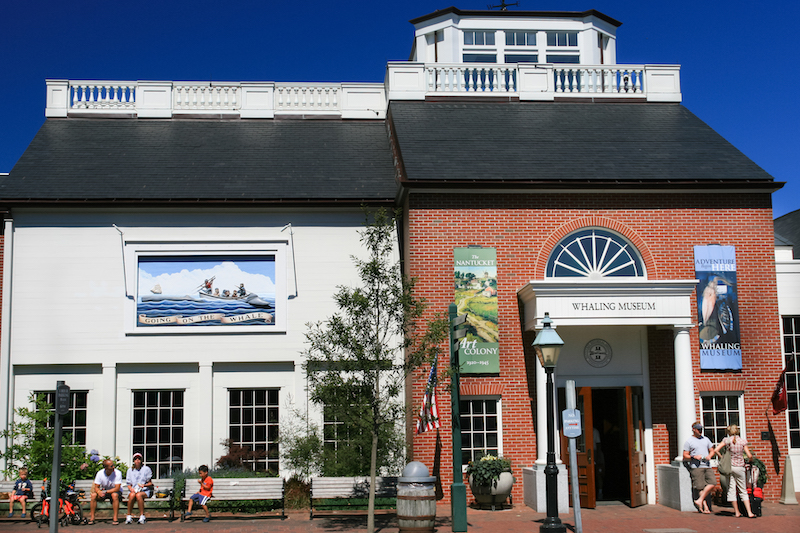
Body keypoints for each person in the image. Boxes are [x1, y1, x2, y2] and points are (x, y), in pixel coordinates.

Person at [708, 424, 756, 518]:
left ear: (729, 432)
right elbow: (750, 456)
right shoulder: (742, 441)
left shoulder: (726, 440)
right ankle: (749, 512)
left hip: (729, 467)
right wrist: (749, 461)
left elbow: (716, 450)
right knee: (743, 490)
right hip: (740, 467)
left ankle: (737, 512)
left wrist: (722, 457)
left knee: (731, 489)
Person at [683, 422, 715, 513]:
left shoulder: (706, 439)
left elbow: (712, 450)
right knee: (700, 487)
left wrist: (709, 456)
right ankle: (705, 507)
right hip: (696, 467)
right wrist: (694, 457)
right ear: (693, 429)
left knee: (713, 482)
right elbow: (685, 455)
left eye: (701, 429)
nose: (700, 431)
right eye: (698, 429)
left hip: (707, 465)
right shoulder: (689, 441)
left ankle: (699, 500)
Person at [90, 459, 122, 525]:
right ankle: (92, 518)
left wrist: (106, 492)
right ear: (106, 468)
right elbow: (96, 487)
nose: (113, 467)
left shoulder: (117, 473)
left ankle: (115, 518)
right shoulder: (100, 473)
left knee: (114, 495)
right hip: (105, 492)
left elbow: (117, 488)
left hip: (115, 491)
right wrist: (99, 492)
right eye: (111, 466)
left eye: (113, 465)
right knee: (93, 496)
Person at [125, 452, 153, 524]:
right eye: (135, 459)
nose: (137, 460)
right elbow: (128, 484)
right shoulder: (130, 470)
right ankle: (128, 516)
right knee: (132, 495)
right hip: (134, 489)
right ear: (133, 461)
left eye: (139, 459)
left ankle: (142, 516)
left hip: (144, 490)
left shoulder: (146, 469)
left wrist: (144, 485)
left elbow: (150, 483)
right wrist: (131, 488)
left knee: (138, 495)